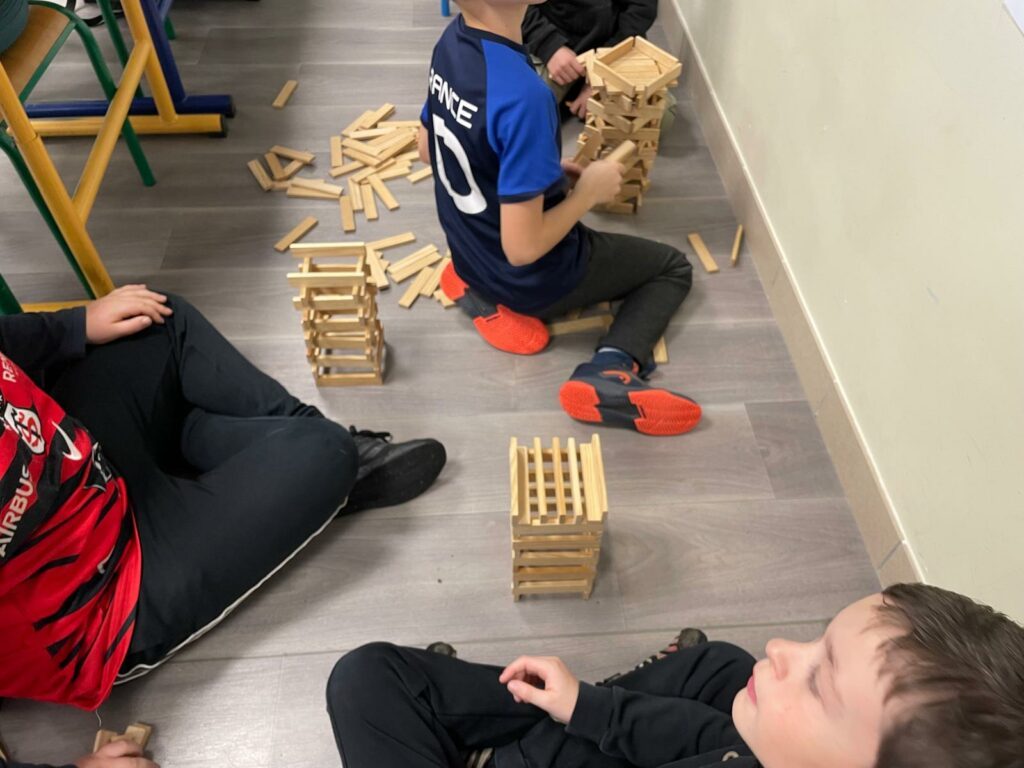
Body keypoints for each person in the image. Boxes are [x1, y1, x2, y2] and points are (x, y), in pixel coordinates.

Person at [0, 286, 446, 767]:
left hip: (82, 453)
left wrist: (73, 325)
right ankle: (302, 466)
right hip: (107, 595)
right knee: (328, 453)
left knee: (159, 314)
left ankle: (230, 454)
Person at [328, 583, 1024, 768]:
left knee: (365, 682)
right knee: (726, 666)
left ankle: (468, 741)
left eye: (818, 681)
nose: (783, 647)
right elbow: (715, 743)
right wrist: (588, 707)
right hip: (597, 741)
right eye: (817, 641)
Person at [421, 0, 701, 436]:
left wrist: (544, 174)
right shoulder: (526, 97)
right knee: (671, 268)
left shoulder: (449, 45)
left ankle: (479, 292)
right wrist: (587, 194)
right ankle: (610, 367)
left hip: (468, 253)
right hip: (531, 278)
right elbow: (523, 248)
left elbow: (428, 149)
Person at [522, 0, 658, 119]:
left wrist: (602, 71)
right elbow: (515, 6)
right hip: (550, 38)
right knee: (524, 111)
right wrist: (549, 45)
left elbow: (641, 8)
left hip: (613, 44)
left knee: (652, 113)